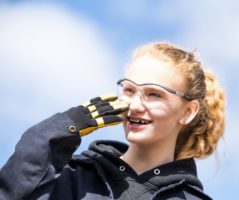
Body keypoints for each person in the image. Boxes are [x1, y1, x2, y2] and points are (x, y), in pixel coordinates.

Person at [0, 42, 225, 200]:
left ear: (188, 111)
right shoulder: (71, 175)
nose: (135, 106)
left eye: (154, 94)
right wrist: (57, 132)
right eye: (129, 90)